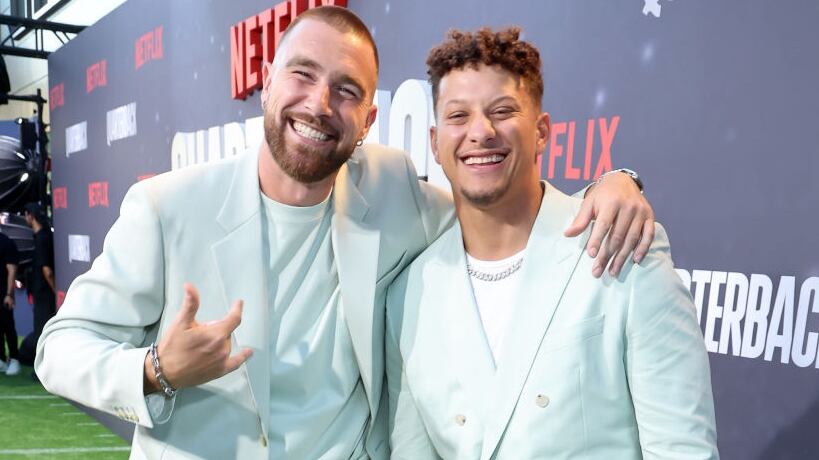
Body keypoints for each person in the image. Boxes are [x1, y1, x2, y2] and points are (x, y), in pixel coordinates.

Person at [36, 7, 655, 460]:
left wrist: (615, 181)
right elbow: (58, 349)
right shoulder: (166, 207)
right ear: (267, 86)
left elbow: (492, 203)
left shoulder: (389, 189)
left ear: (368, 119)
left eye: (346, 90)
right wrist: (155, 369)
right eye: (301, 75)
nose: (318, 103)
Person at [385, 27, 718, 459]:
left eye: (502, 111)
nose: (481, 131)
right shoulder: (410, 292)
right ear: (435, 141)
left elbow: (682, 450)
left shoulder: (621, 243)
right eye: (458, 116)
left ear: (541, 132)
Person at [24, 203, 55, 343]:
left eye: (26, 215)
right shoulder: (42, 237)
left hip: (44, 293)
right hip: (41, 292)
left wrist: (55, 290)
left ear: (31, 216)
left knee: (43, 329)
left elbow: (46, 271)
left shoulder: (42, 238)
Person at [0, 230, 21, 376]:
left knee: (7, 325)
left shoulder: (6, 242)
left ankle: (14, 359)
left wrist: (9, 294)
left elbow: (12, 269)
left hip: (3, 293)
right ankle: (1, 359)